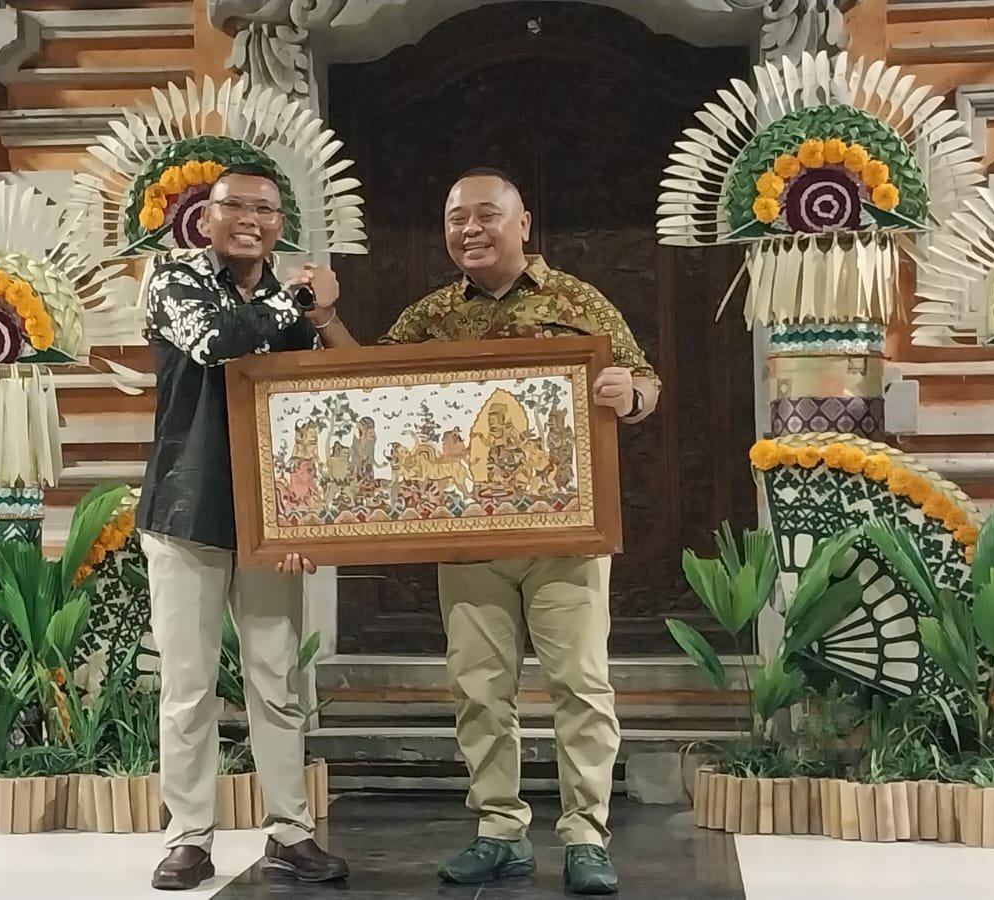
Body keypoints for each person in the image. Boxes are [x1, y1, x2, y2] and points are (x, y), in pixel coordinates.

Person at [376, 168, 661, 896]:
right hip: (469, 539)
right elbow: (373, 385)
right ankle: (499, 830)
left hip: (566, 534)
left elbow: (645, 382)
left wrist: (628, 393)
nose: (470, 230)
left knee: (581, 686)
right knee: (478, 689)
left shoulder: (577, 302)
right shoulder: (430, 316)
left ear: (523, 222)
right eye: (456, 219)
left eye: (487, 215)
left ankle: (586, 835)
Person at [137, 163, 351, 890]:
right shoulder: (174, 279)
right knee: (188, 686)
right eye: (235, 207)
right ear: (207, 216)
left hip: (270, 521)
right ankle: (189, 839)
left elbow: (320, 400)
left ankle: (291, 832)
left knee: (277, 681)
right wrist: (299, 298)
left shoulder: (289, 304)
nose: (250, 221)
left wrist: (305, 523)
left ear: (280, 224)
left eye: (265, 210)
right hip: (185, 512)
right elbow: (214, 341)